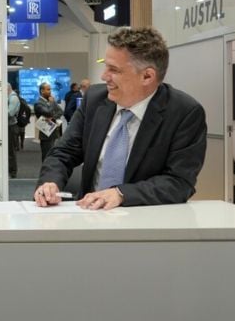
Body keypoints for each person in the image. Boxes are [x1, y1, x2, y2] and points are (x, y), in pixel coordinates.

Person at [34, 26, 207, 210]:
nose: (104, 76)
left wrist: (121, 194)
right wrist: (50, 182)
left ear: (147, 76)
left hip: (145, 217)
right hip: (89, 214)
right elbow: (63, 153)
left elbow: (179, 182)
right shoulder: (94, 100)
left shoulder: (184, 113)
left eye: (114, 69)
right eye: (105, 66)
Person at [33, 81, 63, 161]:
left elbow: (60, 111)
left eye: (50, 89)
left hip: (53, 132)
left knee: (53, 156)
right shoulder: (38, 103)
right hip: (45, 134)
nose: (50, 91)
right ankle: (45, 169)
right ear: (42, 91)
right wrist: (52, 103)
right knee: (46, 156)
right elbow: (48, 112)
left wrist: (52, 118)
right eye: (48, 89)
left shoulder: (50, 101)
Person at [7, 84, 20, 178]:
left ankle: (13, 171)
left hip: (11, 127)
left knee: (11, 150)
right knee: (8, 150)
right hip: (9, 126)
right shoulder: (9, 97)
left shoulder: (13, 98)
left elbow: (10, 113)